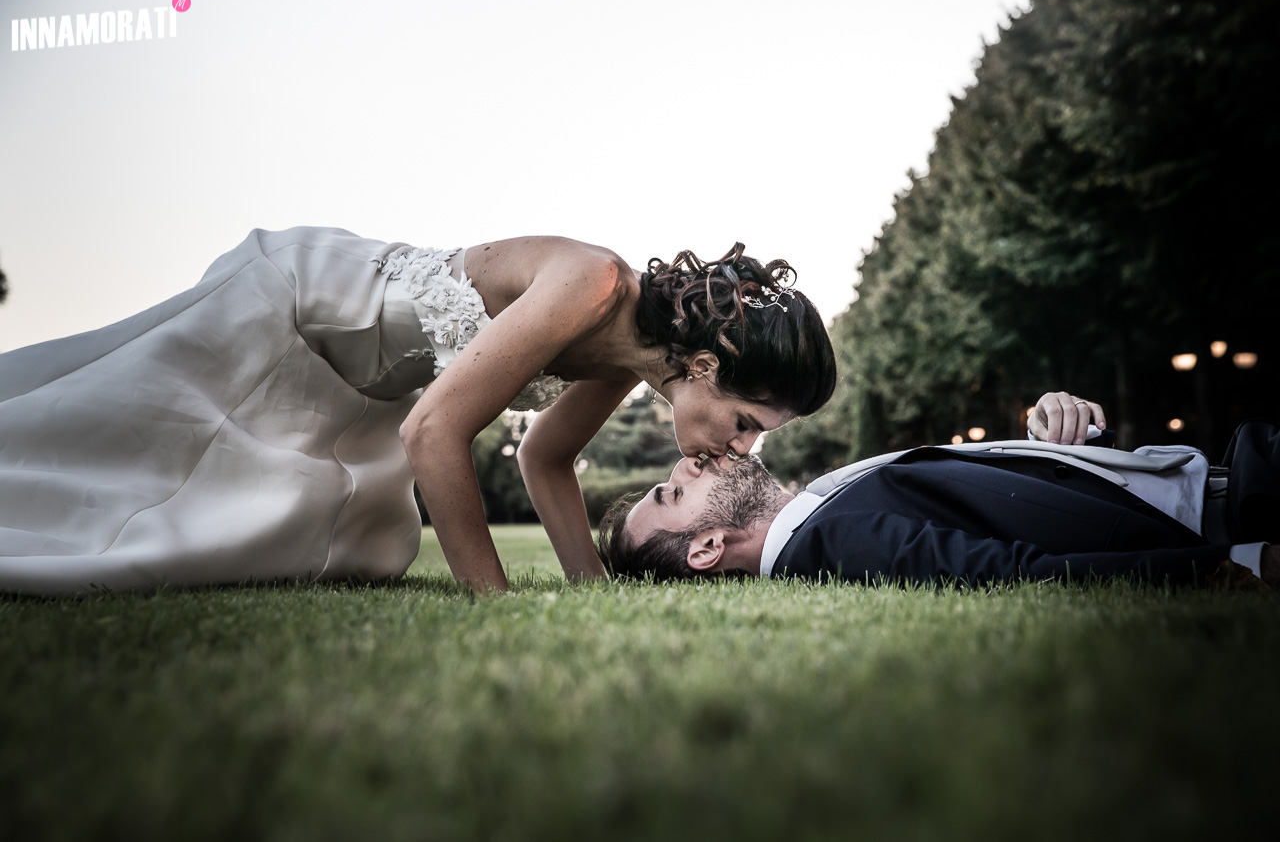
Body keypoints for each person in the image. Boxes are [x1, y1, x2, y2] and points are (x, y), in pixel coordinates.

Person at [0, 226, 837, 595]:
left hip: (356, 380)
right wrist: (493, 598)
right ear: (705, 365)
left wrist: (594, 587)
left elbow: (543, 458)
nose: (742, 451)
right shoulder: (596, 286)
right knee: (101, 436)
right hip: (297, 314)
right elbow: (433, 429)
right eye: (747, 425)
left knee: (308, 542)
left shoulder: (629, 360)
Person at [597, 409, 1280, 589]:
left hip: (1224, 472)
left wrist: (1064, 430)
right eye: (674, 491)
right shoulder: (830, 544)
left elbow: (1013, 495)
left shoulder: (820, 510)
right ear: (709, 547)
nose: (688, 460)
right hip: (1242, 505)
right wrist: (1243, 561)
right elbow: (1017, 575)